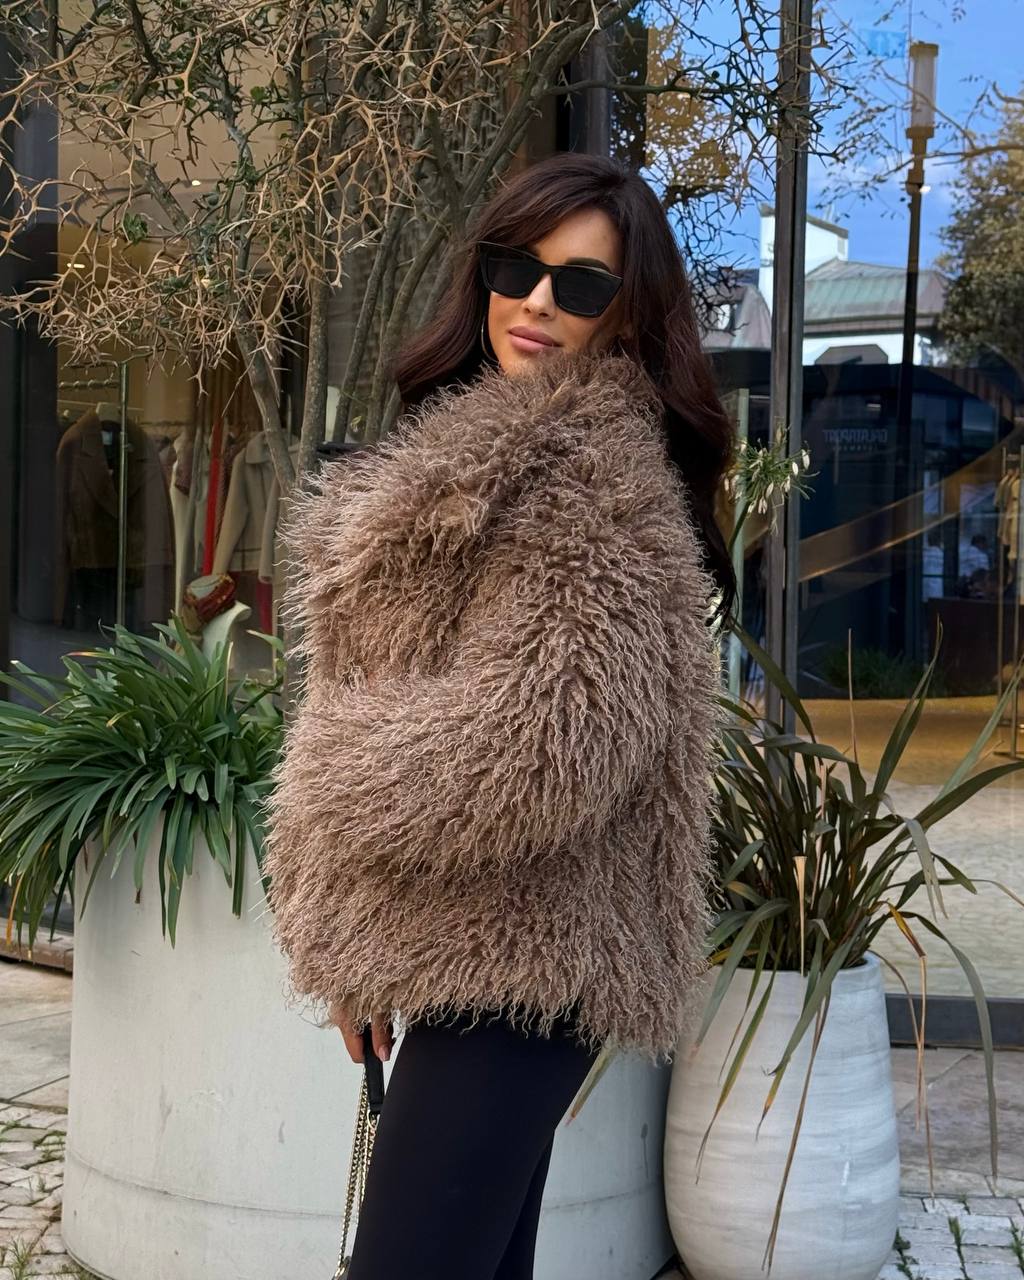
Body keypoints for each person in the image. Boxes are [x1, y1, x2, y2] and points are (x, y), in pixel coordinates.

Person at [262, 152, 737, 1280]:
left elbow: (536, 746)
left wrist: (323, 766)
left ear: (627, 319)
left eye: (580, 286)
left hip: (525, 967)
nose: (536, 301)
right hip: (469, 950)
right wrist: (363, 946)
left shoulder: (589, 485)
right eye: (517, 267)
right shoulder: (480, 455)